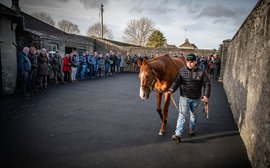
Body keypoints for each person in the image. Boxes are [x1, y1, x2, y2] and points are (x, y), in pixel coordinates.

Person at [169, 53, 211, 143]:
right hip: (184, 97)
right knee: (182, 115)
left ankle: (192, 128)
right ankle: (178, 134)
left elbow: (207, 84)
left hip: (196, 98)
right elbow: (176, 82)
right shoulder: (181, 71)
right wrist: (172, 89)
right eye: (188, 61)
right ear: (186, 61)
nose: (190, 63)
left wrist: (206, 95)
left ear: (195, 61)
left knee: (193, 116)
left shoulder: (201, 72)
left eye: (192, 61)